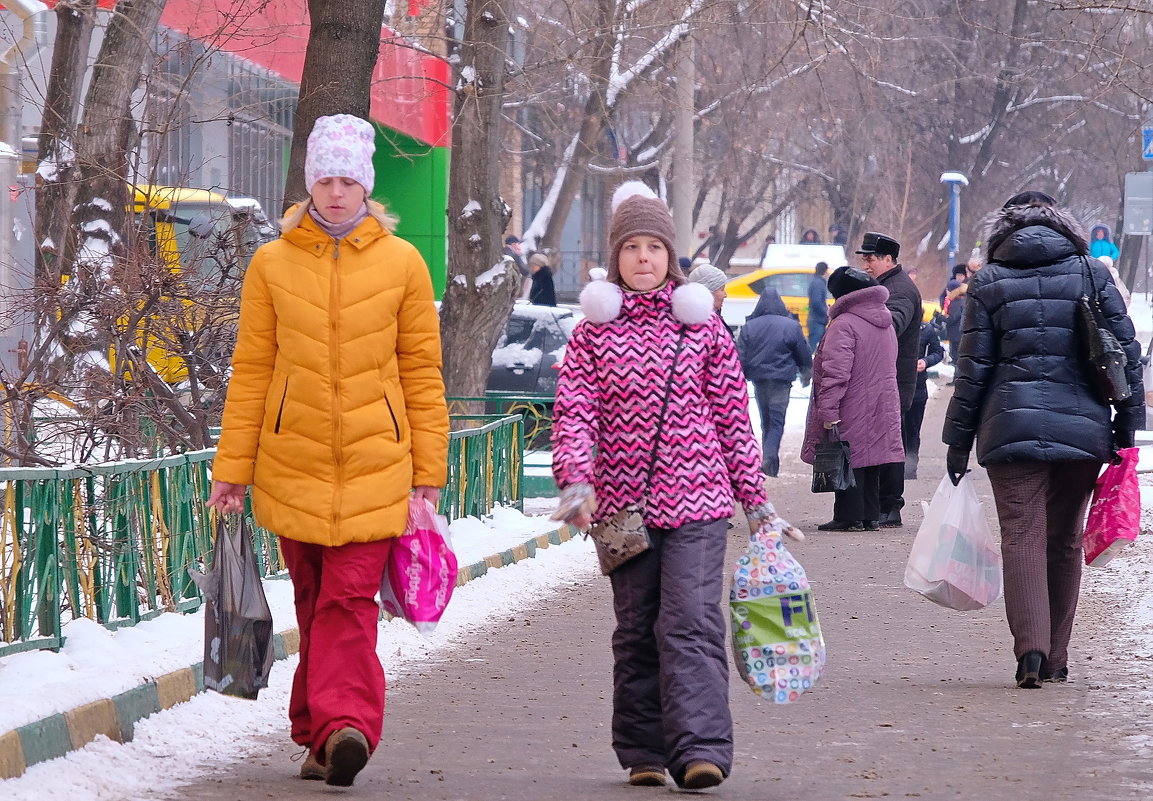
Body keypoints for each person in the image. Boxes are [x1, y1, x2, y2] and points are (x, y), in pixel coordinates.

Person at [206, 114, 449, 786]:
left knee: (347, 600)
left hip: (378, 464)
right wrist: (233, 469)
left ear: (366, 185)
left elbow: (423, 373)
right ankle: (319, 730)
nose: (336, 192)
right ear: (309, 182)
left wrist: (427, 469)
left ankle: (346, 726)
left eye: (347, 180)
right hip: (293, 463)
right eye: (325, 178)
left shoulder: (403, 263)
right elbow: (251, 370)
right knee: (314, 600)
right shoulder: (271, 262)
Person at [550, 180, 792, 791]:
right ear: (615, 257)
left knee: (689, 622)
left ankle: (701, 749)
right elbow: (574, 413)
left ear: (671, 255)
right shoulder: (591, 335)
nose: (643, 258)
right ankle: (644, 751)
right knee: (637, 630)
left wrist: (755, 501)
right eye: (630, 246)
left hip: (699, 502)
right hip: (624, 512)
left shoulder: (703, 329)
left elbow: (734, 418)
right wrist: (576, 480)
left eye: (653, 246)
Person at [942, 190, 1144, 689]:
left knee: (1022, 537)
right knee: (1063, 540)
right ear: (1065, 225)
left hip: (1008, 429)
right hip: (1083, 431)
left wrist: (956, 440)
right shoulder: (1092, 273)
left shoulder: (987, 282)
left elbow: (972, 370)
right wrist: (1128, 423)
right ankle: (1057, 655)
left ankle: (1029, 651)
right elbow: (1127, 352)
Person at [802, 266, 903, 531]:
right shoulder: (885, 320)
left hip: (852, 401)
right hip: (882, 400)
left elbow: (835, 372)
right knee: (871, 458)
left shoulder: (845, 324)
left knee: (848, 455)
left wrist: (828, 410)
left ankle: (848, 515)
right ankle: (870, 515)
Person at [857, 233, 921, 528]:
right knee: (885, 440)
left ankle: (891, 505)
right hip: (883, 379)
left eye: (870, 259)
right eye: (863, 259)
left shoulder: (899, 291)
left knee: (891, 444)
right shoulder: (885, 285)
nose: (865, 265)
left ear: (887, 259)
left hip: (893, 380)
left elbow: (890, 325)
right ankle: (883, 503)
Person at [737, 288, 812, 477]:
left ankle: (769, 462)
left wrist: (741, 377)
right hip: (782, 381)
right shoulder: (791, 326)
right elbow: (802, 352)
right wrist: (806, 372)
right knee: (777, 421)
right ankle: (770, 458)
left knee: (766, 420)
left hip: (759, 381)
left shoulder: (749, 326)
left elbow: (740, 356)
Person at [903, 319, 944, 480]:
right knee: (896, 431)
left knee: (912, 431)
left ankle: (909, 468)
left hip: (917, 389)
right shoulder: (893, 325)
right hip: (894, 388)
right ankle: (893, 469)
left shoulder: (926, 329)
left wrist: (925, 362)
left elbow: (938, 352)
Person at [940, 263, 970, 374]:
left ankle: (957, 377)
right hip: (956, 332)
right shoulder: (955, 297)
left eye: (961, 275)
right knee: (956, 355)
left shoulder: (959, 300)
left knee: (957, 355)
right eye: (958, 275)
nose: (959, 277)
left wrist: (942, 317)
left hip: (957, 332)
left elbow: (953, 318)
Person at [807, 261, 830, 352]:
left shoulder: (816, 282)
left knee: (819, 345)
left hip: (815, 319)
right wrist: (826, 312)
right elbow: (817, 302)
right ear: (824, 271)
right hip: (817, 320)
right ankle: (809, 365)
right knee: (814, 346)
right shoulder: (818, 284)